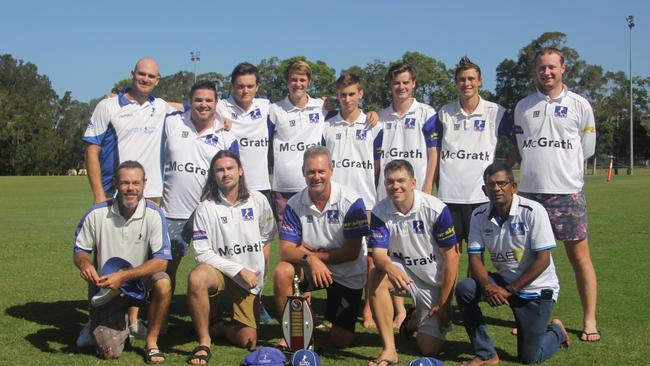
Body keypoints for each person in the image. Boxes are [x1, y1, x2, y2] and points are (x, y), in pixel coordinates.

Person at [513, 47, 599, 342]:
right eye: (541, 68)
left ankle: (589, 320)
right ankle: (530, 318)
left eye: (552, 67)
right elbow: (523, 147)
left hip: (567, 193)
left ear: (563, 68)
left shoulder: (579, 105)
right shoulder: (523, 106)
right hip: (530, 195)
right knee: (529, 261)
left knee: (579, 258)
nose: (546, 72)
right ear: (535, 70)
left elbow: (587, 148)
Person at [455, 162, 569, 365]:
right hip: (502, 282)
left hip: (536, 288)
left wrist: (509, 290)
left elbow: (542, 261)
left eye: (502, 183)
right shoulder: (478, 215)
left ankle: (557, 332)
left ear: (513, 187)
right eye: (491, 185)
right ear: (484, 190)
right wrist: (489, 287)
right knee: (466, 288)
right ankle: (486, 353)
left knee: (530, 358)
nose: (496, 189)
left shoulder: (533, 210)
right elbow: (475, 258)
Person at [73, 161, 172, 363]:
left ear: (145, 184)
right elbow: (80, 250)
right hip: (107, 289)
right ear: (115, 183)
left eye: (136, 183)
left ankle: (151, 343)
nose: (131, 188)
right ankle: (101, 323)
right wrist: (85, 264)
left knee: (163, 282)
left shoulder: (154, 214)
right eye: (125, 183)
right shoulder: (97, 213)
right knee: (110, 353)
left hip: (139, 284)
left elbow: (162, 262)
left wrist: (124, 276)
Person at [273, 146, 369, 349]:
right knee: (283, 271)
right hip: (313, 266)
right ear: (303, 173)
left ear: (331, 170)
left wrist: (313, 256)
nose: (316, 176)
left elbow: (351, 253)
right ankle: (292, 333)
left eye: (321, 171)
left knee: (340, 341)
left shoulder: (352, 202)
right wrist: (311, 260)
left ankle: (318, 319)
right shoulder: (294, 203)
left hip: (347, 272)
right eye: (310, 172)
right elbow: (286, 250)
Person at [186, 150, 276, 364]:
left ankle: (218, 325)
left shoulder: (258, 200)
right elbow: (201, 252)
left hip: (249, 280)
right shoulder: (206, 207)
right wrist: (238, 270)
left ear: (240, 171)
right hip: (219, 272)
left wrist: (262, 268)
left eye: (230, 168)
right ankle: (204, 341)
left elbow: (267, 235)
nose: (225, 173)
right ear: (213, 175)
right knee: (197, 278)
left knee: (248, 341)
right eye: (220, 170)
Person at [367, 160, 459, 366]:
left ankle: (415, 317)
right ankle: (389, 350)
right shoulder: (380, 211)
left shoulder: (435, 209)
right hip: (405, 274)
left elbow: (453, 257)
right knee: (376, 274)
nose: (395, 186)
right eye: (390, 182)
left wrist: (444, 304)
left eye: (401, 181)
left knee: (428, 348)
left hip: (434, 283)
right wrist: (390, 267)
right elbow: (379, 254)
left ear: (413, 182)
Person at [161, 80, 238, 295]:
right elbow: (151, 105)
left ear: (216, 103)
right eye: (198, 100)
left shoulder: (226, 135)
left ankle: (212, 319)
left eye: (208, 100)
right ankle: (161, 323)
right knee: (165, 270)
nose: (203, 104)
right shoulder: (171, 123)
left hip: (210, 212)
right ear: (189, 102)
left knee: (215, 267)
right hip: (173, 212)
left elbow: (233, 178)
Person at [431, 57, 512, 254]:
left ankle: (477, 286)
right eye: (461, 79)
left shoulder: (496, 112)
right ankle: (449, 287)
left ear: (480, 81)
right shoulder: (444, 112)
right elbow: (434, 150)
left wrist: (503, 174)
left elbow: (518, 144)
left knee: (477, 253)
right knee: (450, 254)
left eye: (471, 79)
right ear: (456, 82)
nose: (466, 83)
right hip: (449, 196)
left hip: (481, 196)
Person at [322, 72, 383, 329]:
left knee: (369, 259)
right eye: (343, 94)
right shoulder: (327, 125)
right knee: (337, 254)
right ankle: (334, 309)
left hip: (365, 202)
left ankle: (367, 310)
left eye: (352, 94)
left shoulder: (374, 125)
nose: (347, 99)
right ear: (338, 95)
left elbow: (378, 165)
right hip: (335, 202)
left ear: (361, 95)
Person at [215, 62, 274, 323]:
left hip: (260, 188)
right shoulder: (220, 106)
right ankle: (225, 304)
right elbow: (184, 106)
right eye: (240, 86)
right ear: (232, 86)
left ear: (257, 87)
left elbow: (318, 103)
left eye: (250, 86)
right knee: (228, 247)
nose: (245, 90)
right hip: (230, 189)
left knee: (261, 250)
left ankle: (257, 301)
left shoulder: (266, 106)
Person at [83, 57, 174, 204]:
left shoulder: (161, 106)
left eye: (151, 76)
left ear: (157, 80)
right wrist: (98, 195)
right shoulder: (108, 106)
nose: (146, 79)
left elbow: (194, 107)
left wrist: (220, 115)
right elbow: (91, 151)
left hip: (151, 197)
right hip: (114, 194)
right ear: (132, 74)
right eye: (141, 74)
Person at [376, 62, 437, 200]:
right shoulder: (381, 117)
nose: (401, 87)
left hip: (418, 190)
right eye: (397, 83)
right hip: (387, 192)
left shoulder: (427, 113)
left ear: (413, 83)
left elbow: (433, 153)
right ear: (391, 85)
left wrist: (428, 186)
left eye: (405, 82)